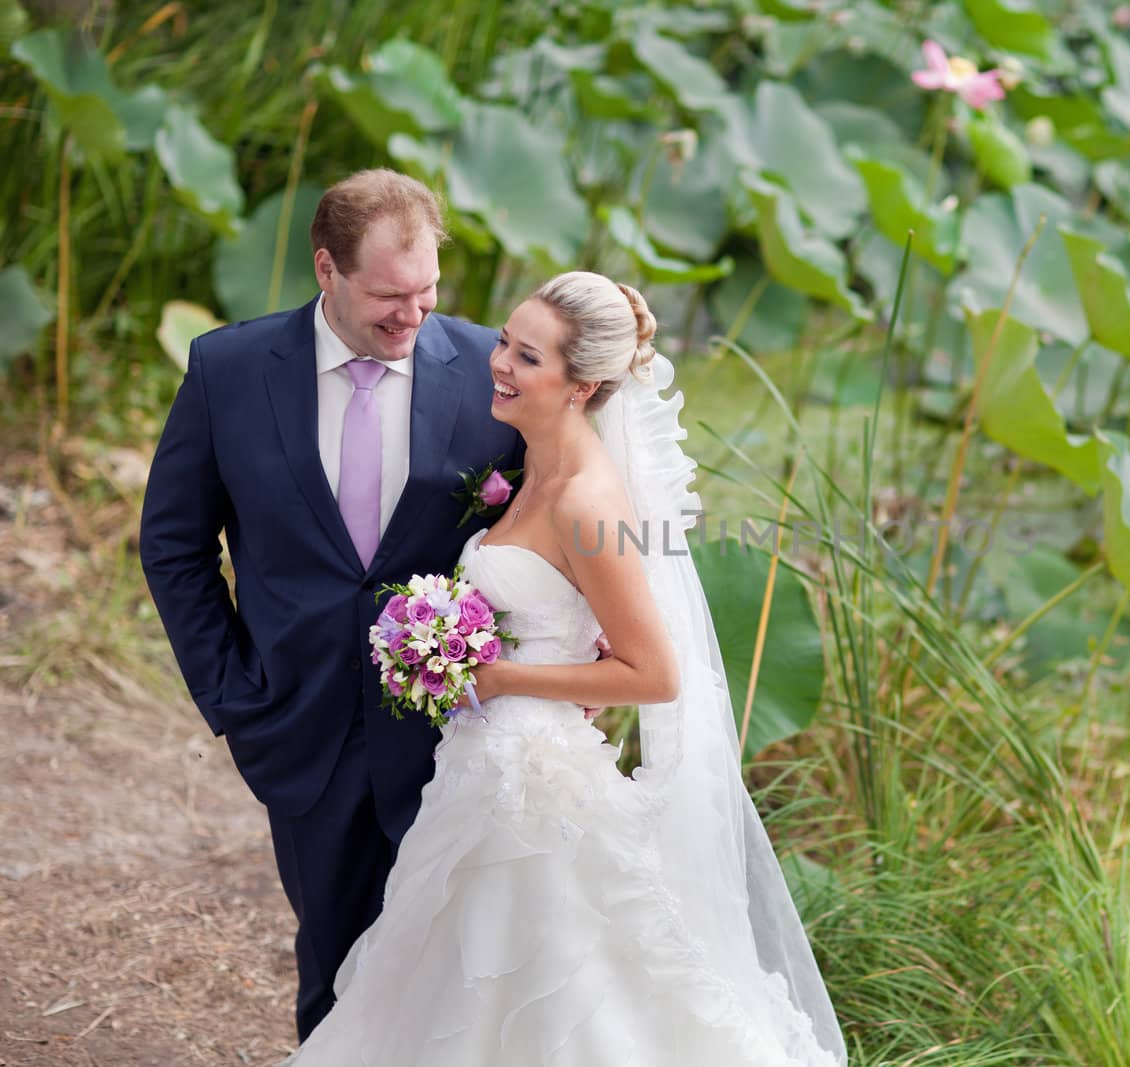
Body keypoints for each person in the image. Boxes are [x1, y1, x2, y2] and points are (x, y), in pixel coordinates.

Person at [282, 271, 848, 1065]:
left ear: (581, 387)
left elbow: (654, 673)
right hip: (485, 763)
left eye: (527, 357)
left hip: (537, 782)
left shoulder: (587, 500)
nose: (500, 364)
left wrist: (504, 676)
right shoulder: (527, 467)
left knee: (550, 987)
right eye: (507, 342)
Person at [139, 169, 526, 1041]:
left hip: (458, 732)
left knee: (461, 973)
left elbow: (553, 520)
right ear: (326, 269)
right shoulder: (228, 370)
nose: (412, 317)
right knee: (336, 971)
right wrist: (234, 690)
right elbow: (173, 543)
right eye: (389, 297)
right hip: (300, 720)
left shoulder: (487, 371)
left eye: (427, 292)